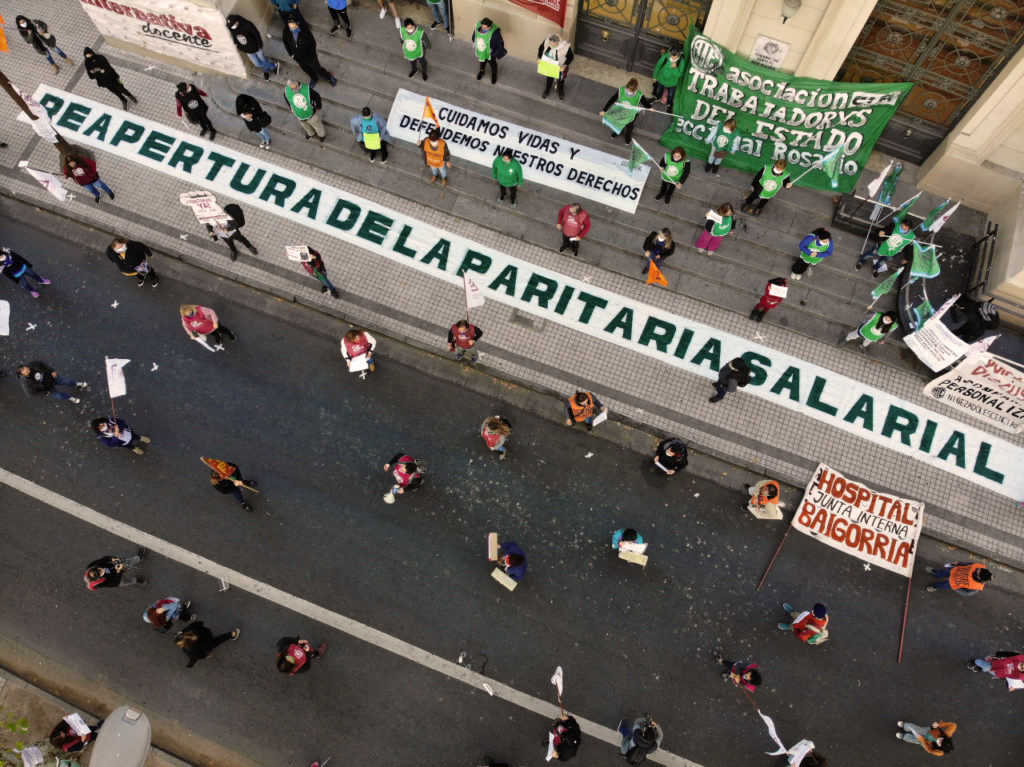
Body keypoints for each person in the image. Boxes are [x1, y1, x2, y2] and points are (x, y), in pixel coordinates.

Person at [283, 18, 336, 88]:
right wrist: (291, 54)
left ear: (297, 24)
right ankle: (314, 78)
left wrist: (311, 55)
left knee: (317, 69)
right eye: (291, 27)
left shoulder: (305, 32)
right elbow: (285, 42)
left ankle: (329, 77)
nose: (292, 29)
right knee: (306, 69)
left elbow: (313, 43)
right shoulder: (286, 31)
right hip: (298, 58)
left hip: (310, 56)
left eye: (294, 27)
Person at [226, 15, 279, 79]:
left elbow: (256, 34)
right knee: (257, 64)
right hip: (248, 51)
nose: (232, 27)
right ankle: (274, 66)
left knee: (263, 59)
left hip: (256, 48)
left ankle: (266, 70)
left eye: (232, 25)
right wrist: (241, 48)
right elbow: (235, 38)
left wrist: (259, 45)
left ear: (236, 22)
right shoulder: (232, 28)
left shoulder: (247, 24)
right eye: (230, 26)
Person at [600, 78, 652, 144]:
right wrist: (604, 110)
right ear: (627, 86)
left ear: (635, 89)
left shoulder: (639, 95)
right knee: (618, 123)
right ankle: (616, 132)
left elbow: (645, 103)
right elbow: (612, 100)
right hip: (621, 111)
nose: (629, 91)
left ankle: (627, 137)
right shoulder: (621, 90)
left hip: (631, 114)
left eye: (631, 91)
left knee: (629, 126)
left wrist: (650, 108)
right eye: (628, 89)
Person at [174, 621, 240, 668]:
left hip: (208, 645)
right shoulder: (190, 630)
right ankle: (232, 634)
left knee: (218, 641)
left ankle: (231, 634)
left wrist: (206, 655)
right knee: (217, 640)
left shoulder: (189, 648)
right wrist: (183, 630)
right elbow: (199, 623)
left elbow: (195, 657)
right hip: (206, 633)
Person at [17, 361, 86, 403]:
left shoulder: (32, 364)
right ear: (23, 375)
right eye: (27, 372)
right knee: (59, 396)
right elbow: (31, 394)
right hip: (47, 389)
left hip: (51, 378)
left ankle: (77, 384)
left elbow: (43, 364)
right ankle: (70, 398)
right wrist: (45, 393)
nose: (29, 371)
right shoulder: (25, 383)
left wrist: (52, 371)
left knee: (67, 381)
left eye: (28, 369)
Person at [285, 79, 327, 144]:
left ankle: (321, 135)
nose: (294, 90)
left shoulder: (307, 89)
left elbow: (317, 96)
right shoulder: (287, 91)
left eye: (295, 87)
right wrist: (291, 108)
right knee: (305, 126)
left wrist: (318, 106)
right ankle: (311, 133)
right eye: (292, 88)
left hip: (311, 113)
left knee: (317, 125)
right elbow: (287, 100)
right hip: (299, 115)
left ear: (297, 84)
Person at [538, 34, 573, 100]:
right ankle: (547, 90)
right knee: (549, 78)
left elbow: (571, 57)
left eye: (553, 41)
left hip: (560, 67)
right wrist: (539, 58)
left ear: (557, 42)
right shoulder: (547, 42)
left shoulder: (565, 48)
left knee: (560, 80)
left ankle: (561, 92)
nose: (550, 42)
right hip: (549, 65)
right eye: (550, 40)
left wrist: (564, 65)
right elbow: (541, 48)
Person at [472, 18, 506, 84]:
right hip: (482, 51)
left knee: (493, 64)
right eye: (482, 27)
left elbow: (501, 45)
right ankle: (482, 71)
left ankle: (494, 74)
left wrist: (493, 55)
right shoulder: (479, 26)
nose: (482, 30)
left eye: (484, 28)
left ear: (489, 27)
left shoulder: (495, 33)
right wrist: (476, 44)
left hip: (490, 53)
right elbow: (475, 35)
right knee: (482, 61)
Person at [925, 561, 992, 594]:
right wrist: (956, 564)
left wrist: (957, 589)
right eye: (980, 569)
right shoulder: (979, 566)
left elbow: (967, 593)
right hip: (953, 570)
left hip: (953, 583)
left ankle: (936, 586)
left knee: (944, 585)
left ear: (979, 577)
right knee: (943, 572)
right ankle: (936, 572)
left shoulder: (977, 587)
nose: (978, 569)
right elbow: (967, 564)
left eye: (978, 571)